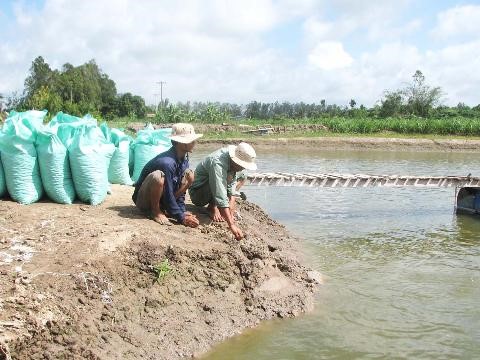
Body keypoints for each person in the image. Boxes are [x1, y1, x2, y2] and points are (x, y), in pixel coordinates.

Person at [132, 123, 202, 227]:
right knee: (158, 177)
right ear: (182, 143)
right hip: (144, 201)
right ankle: (155, 211)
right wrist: (181, 218)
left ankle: (166, 209)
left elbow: (178, 192)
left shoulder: (184, 159)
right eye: (192, 140)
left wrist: (181, 211)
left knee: (189, 176)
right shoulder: (167, 163)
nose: (194, 143)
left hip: (163, 199)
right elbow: (169, 193)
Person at [189, 142, 257, 240]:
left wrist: (231, 207)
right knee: (220, 184)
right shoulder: (218, 162)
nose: (243, 168)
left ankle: (217, 206)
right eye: (242, 165)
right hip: (198, 193)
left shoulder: (232, 163)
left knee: (240, 176)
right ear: (236, 161)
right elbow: (220, 192)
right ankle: (212, 207)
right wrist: (231, 225)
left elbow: (231, 188)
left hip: (212, 188)